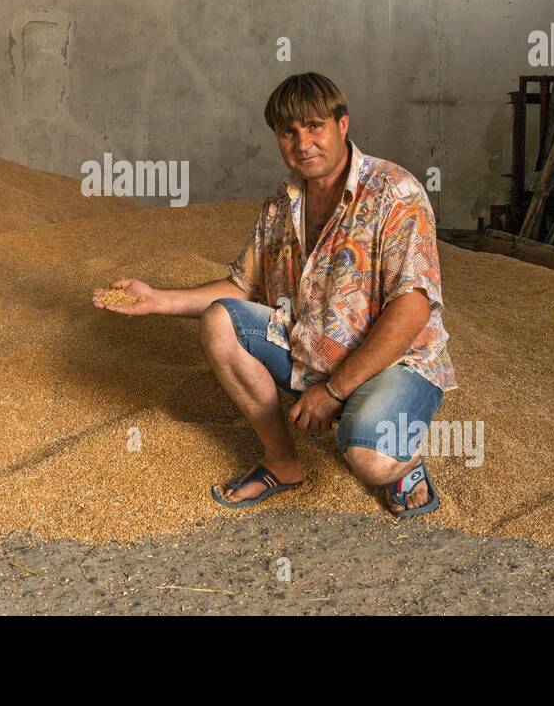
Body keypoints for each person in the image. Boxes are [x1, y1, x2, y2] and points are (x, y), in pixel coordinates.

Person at [91, 72, 458, 517]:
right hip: (313, 350)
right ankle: (282, 463)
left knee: (370, 459)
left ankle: (405, 466)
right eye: (289, 132)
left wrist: (335, 391)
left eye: (315, 126)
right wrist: (158, 300)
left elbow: (413, 307)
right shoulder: (281, 206)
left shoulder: (394, 192)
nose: (303, 143)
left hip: (398, 362)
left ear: (343, 125)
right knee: (220, 320)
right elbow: (242, 287)